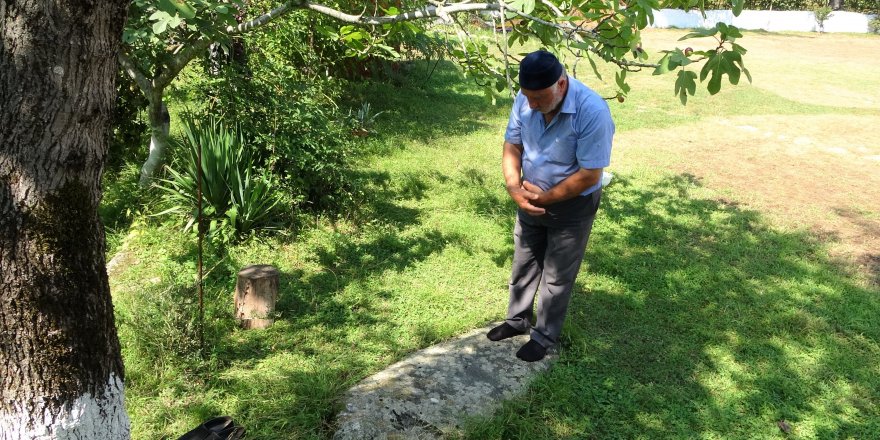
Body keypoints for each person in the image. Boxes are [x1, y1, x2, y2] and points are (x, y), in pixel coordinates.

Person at [486, 50, 615, 362]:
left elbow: (588, 175)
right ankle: (517, 320)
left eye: (539, 97)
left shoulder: (592, 111)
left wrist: (543, 198)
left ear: (561, 83)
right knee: (524, 262)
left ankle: (543, 335)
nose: (531, 104)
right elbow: (512, 144)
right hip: (528, 198)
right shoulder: (526, 97)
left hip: (573, 205)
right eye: (527, 96)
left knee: (557, 275)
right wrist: (514, 187)